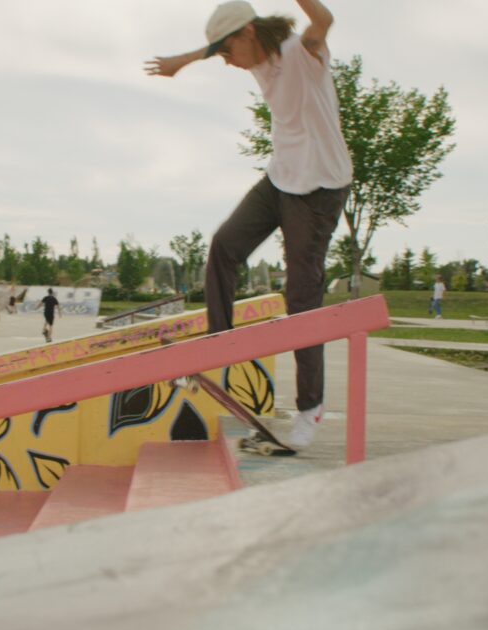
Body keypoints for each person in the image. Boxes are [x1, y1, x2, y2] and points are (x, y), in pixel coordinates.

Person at [146, 0, 350, 451]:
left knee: (302, 296)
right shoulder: (255, 54)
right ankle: (220, 341)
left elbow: (324, 21)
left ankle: (310, 407)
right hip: (280, 179)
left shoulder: (304, 52)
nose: (228, 64)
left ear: (249, 35)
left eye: (228, 54)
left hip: (318, 189)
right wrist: (184, 61)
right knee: (224, 244)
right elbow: (218, 43)